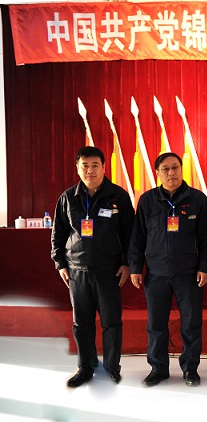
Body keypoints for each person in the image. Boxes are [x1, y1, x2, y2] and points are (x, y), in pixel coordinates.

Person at [128, 152, 207, 387]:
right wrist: (135, 267)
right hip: (156, 274)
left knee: (191, 324)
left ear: (181, 169)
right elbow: (137, 238)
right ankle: (158, 369)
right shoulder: (147, 200)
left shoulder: (197, 199)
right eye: (165, 169)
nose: (171, 172)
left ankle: (190, 368)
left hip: (189, 274)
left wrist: (204, 267)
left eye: (175, 167)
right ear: (158, 173)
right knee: (156, 325)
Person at [51, 146, 135, 388]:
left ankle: (111, 368)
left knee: (111, 322)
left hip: (109, 271)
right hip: (77, 270)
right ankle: (85, 368)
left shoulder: (118, 196)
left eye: (95, 165)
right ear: (77, 168)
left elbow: (130, 234)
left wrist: (128, 263)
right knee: (82, 324)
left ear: (104, 167)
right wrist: (60, 264)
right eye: (85, 166)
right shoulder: (67, 197)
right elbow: (58, 234)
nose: (90, 170)